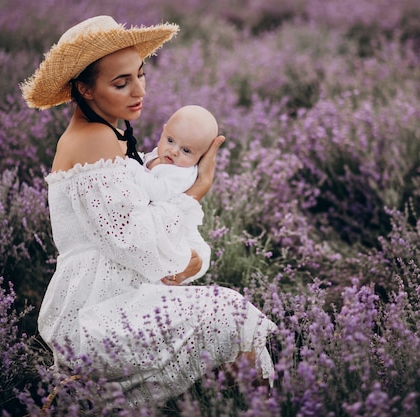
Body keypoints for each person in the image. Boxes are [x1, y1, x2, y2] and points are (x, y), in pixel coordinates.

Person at [20, 15, 277, 406]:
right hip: (93, 313)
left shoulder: (111, 133)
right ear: (85, 89)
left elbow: (153, 233)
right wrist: (198, 190)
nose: (138, 90)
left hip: (119, 294)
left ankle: (229, 407)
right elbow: (137, 243)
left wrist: (193, 258)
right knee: (233, 314)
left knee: (230, 319)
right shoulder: (93, 142)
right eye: (121, 82)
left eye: (140, 75)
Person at [135, 104, 219, 284]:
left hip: (181, 235)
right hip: (162, 225)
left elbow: (155, 191)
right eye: (170, 140)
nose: (173, 151)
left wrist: (131, 168)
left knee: (170, 269)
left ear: (201, 157)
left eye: (186, 150)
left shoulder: (181, 173)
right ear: (163, 131)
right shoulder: (159, 157)